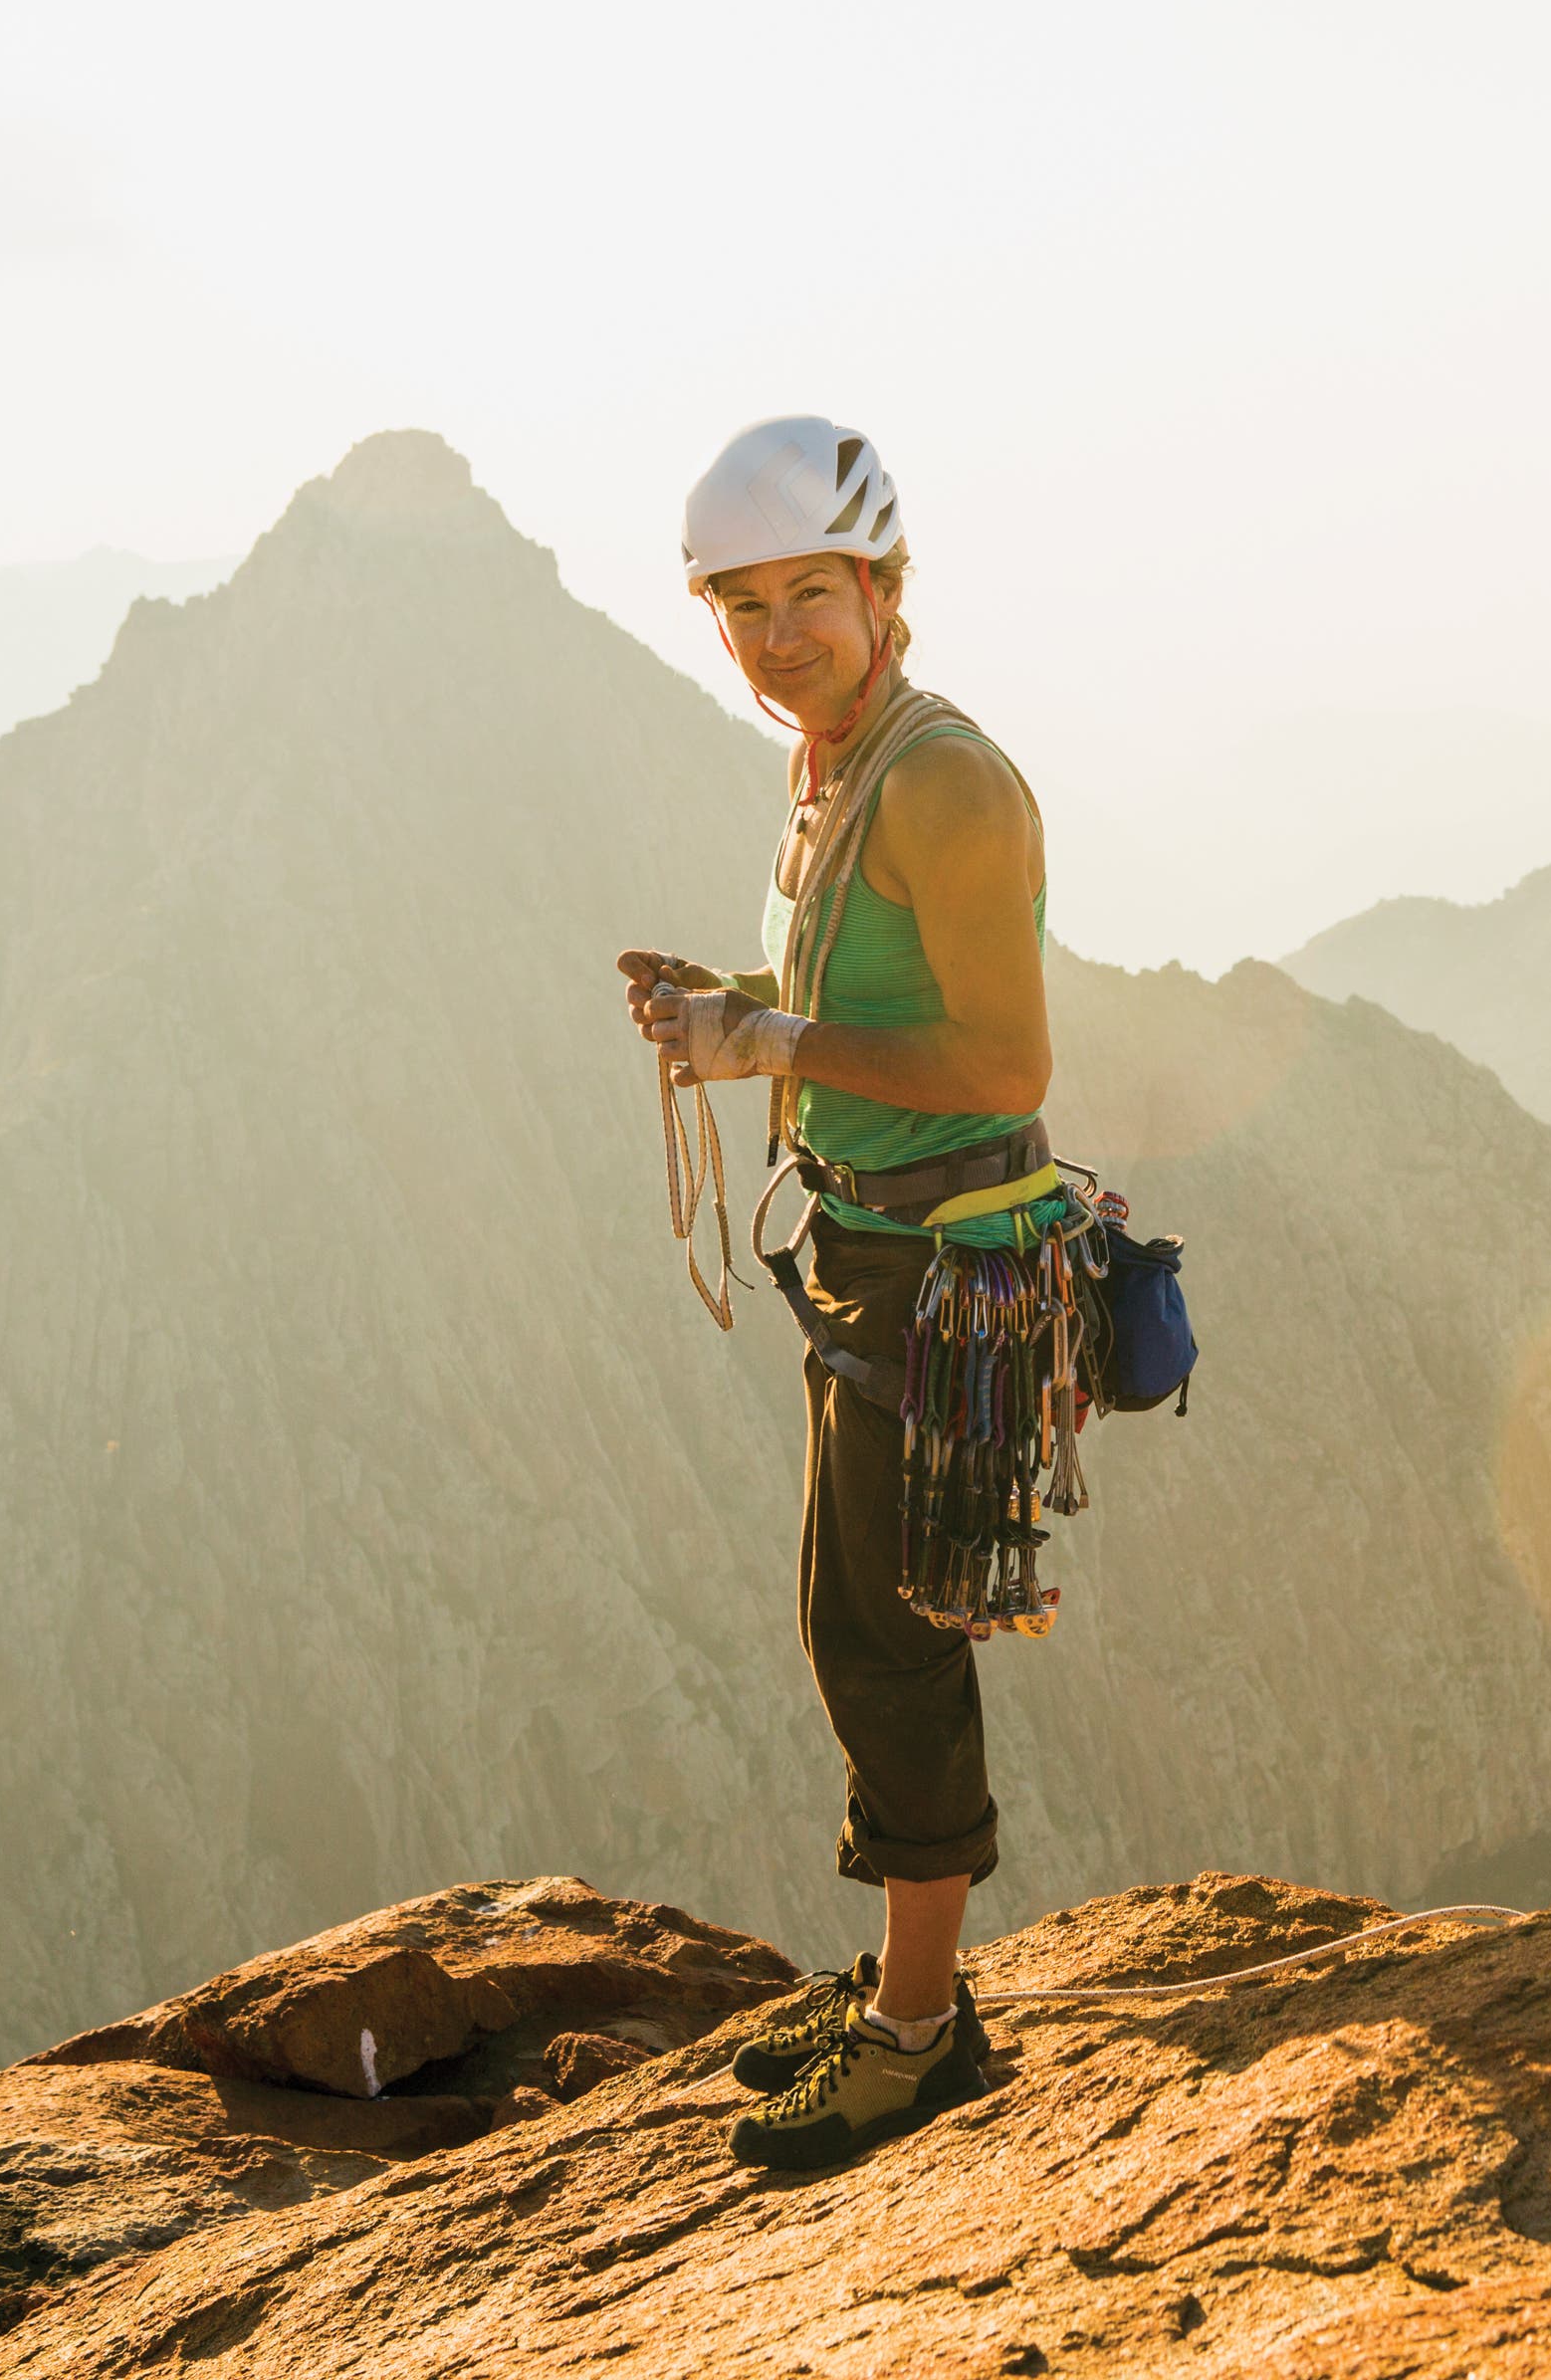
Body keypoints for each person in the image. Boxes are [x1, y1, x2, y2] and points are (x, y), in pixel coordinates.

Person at [618, 416, 1057, 2173]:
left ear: (884, 591)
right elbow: (869, 999)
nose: (779, 633)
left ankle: (921, 2029)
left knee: (888, 1637)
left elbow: (1006, 1053)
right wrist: (734, 1002)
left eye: (814, 593)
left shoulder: (943, 781)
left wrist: (770, 1040)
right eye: (745, 605)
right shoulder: (833, 768)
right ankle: (904, 1977)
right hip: (880, 1253)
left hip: (948, 1267)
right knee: (851, 1616)